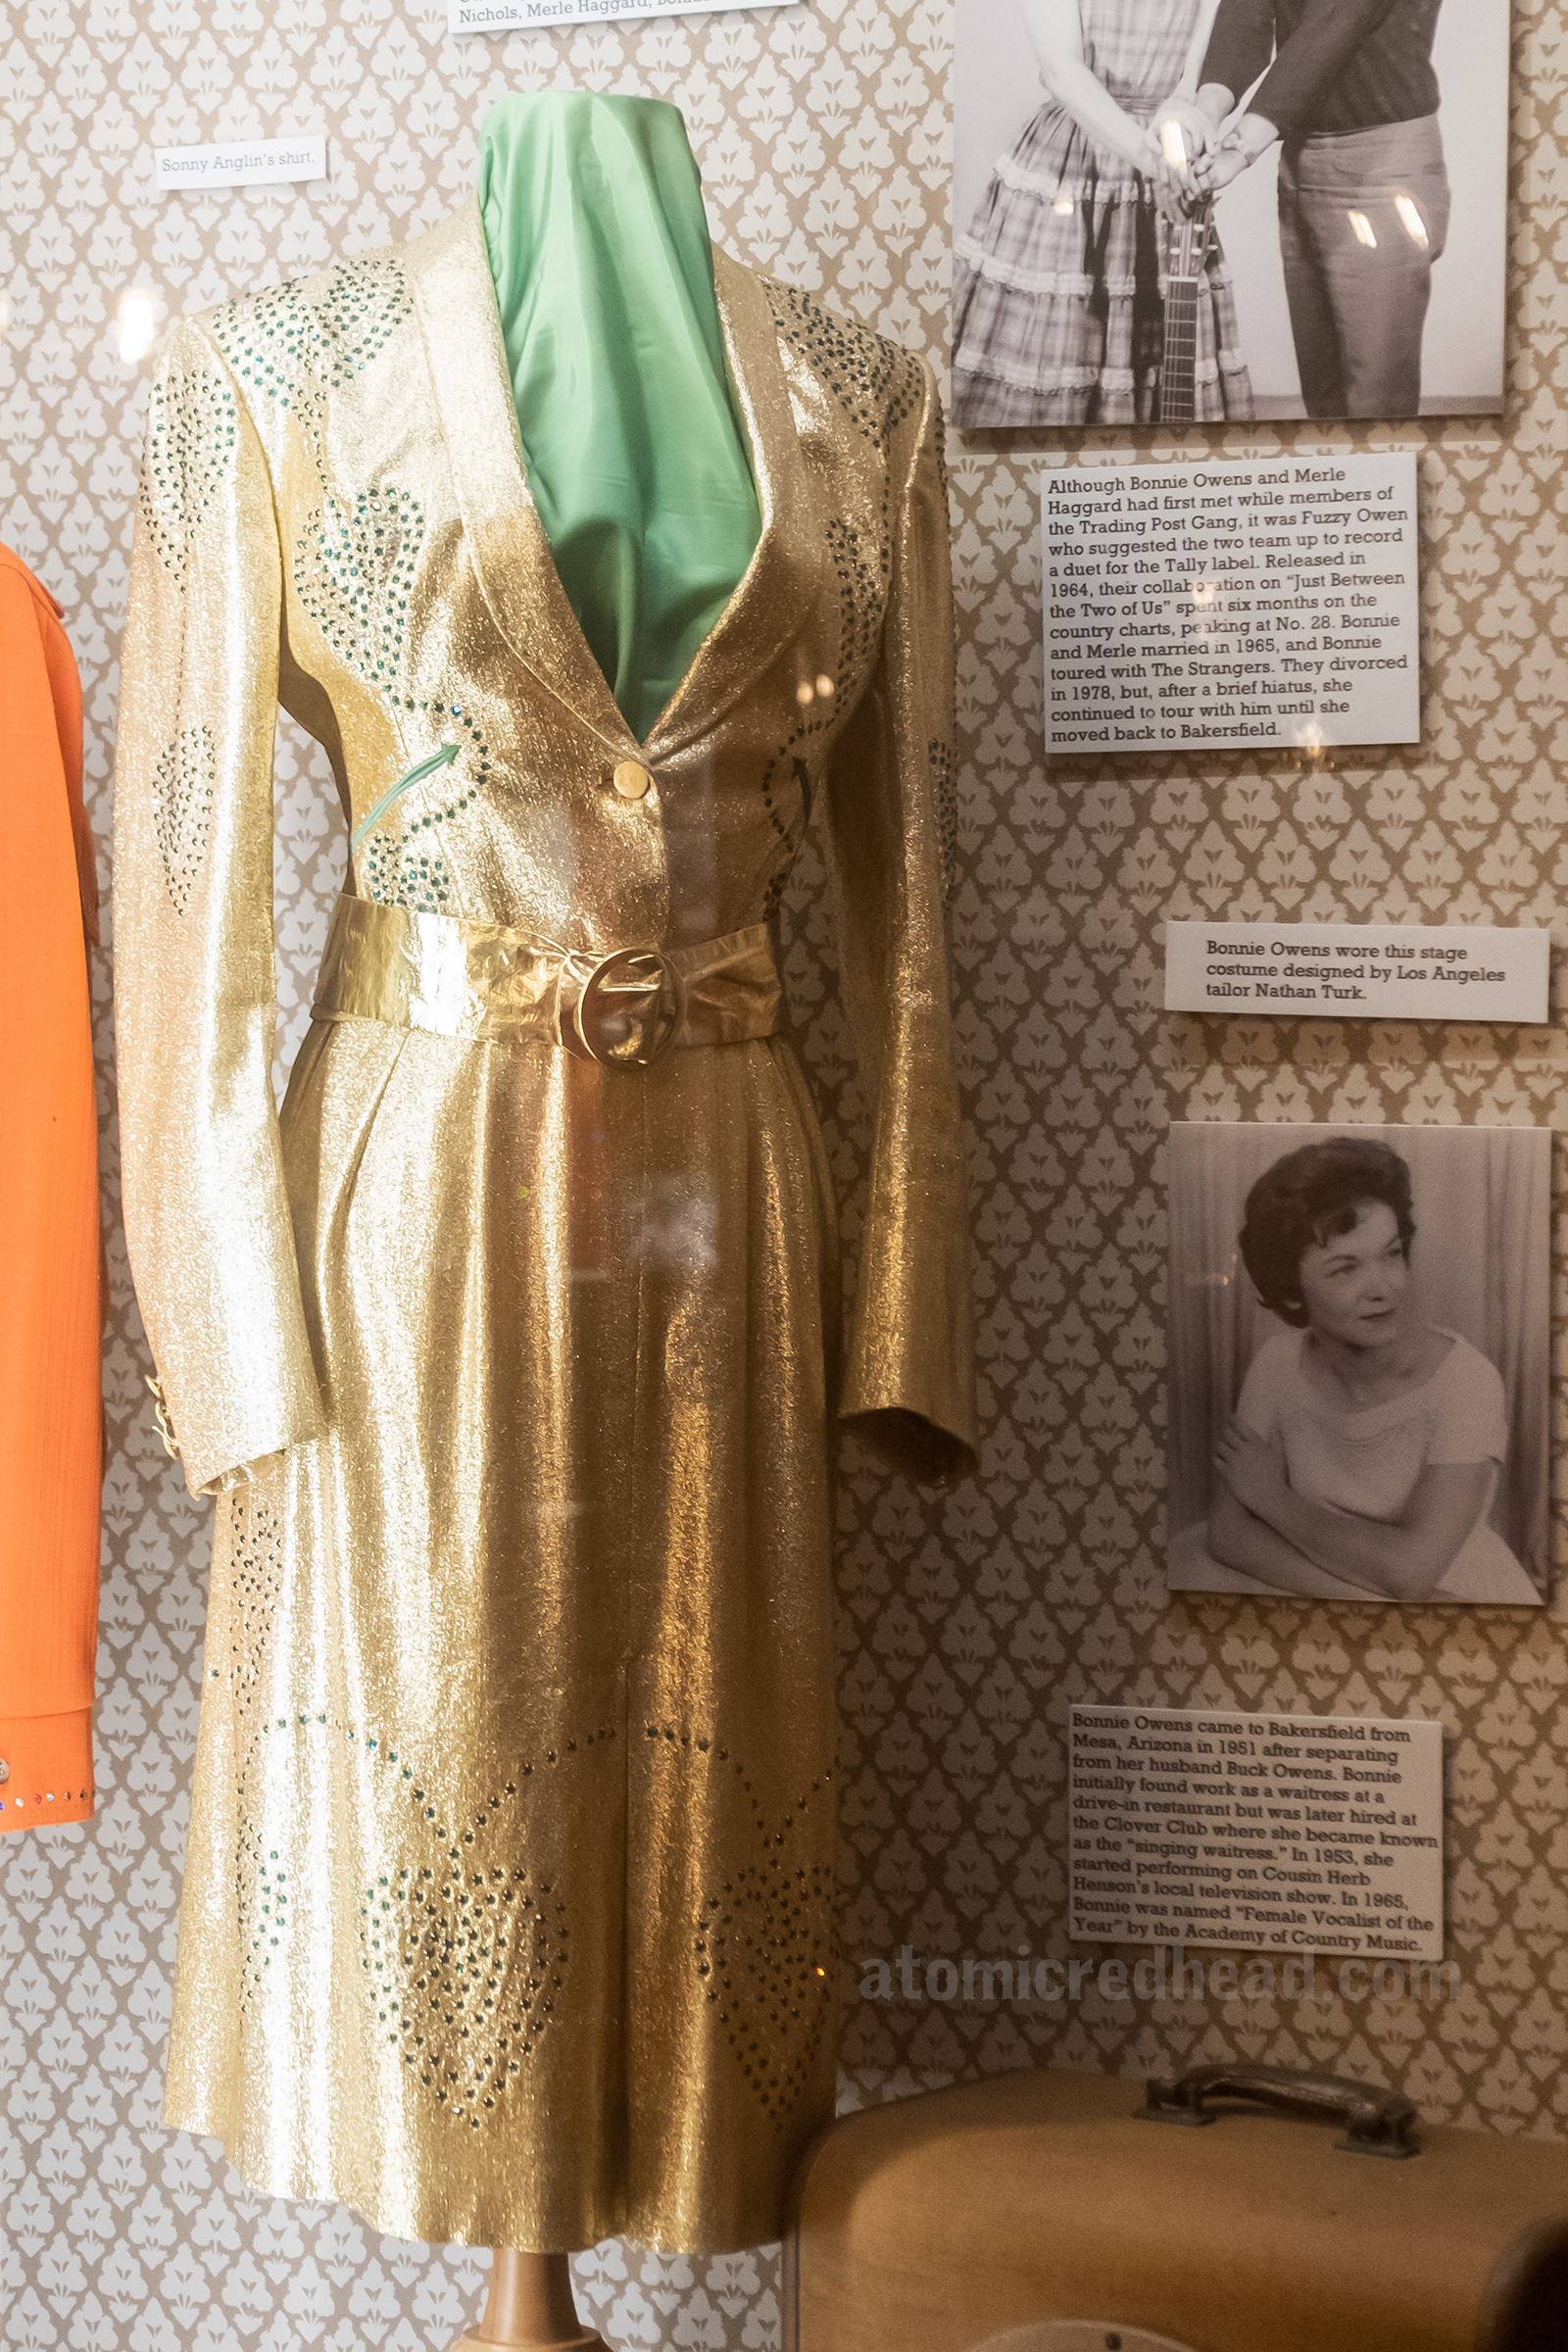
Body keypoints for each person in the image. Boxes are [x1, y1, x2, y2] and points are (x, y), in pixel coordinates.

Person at [1169, 1135, 1540, 1603]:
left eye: (1391, 1254)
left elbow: (1411, 1572)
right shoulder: (1278, 1363)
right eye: (1345, 1269)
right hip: (1344, 1581)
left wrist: (1272, 1497)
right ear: (1289, 1291)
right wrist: (1373, 1598)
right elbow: (1226, 1534)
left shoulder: (1466, 1380)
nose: (1383, 1288)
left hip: (1449, 1585)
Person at [952, 0, 1254, 427]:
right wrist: (1152, 159)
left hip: (1167, 143)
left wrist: (1181, 121)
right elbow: (1061, 70)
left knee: (1166, 343)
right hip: (1083, 146)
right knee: (1063, 335)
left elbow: (1195, 73)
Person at [1158, 0, 1449, 418]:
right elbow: (1246, 15)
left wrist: (1238, 148)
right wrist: (1205, 117)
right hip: (1301, 161)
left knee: (1376, 405)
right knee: (1325, 404)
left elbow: (1334, 22)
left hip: (1381, 166)